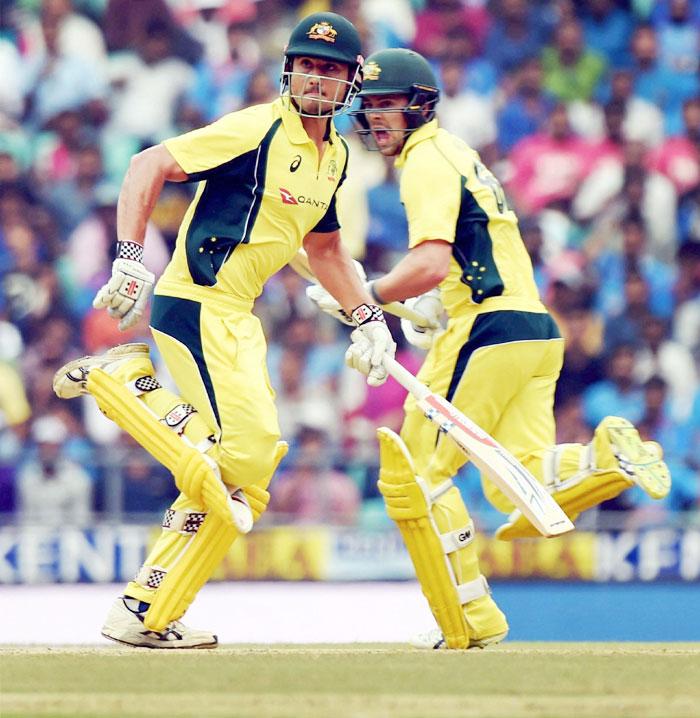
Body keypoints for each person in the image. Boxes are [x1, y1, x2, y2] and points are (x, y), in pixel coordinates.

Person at [52, 12, 396, 649]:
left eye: (331, 68)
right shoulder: (258, 127)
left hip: (237, 316)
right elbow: (146, 164)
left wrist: (369, 316)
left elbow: (323, 251)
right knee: (246, 450)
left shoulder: (336, 156)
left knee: (247, 475)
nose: (316, 78)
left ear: (351, 81)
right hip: (196, 302)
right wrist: (130, 258)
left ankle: (146, 609)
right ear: (288, 69)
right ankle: (123, 381)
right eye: (308, 64)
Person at [309, 48, 671, 650]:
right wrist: (419, 305)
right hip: (532, 329)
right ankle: (603, 461)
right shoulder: (457, 151)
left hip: (488, 331)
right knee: (516, 484)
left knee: (417, 475)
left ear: (420, 105)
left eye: (389, 105)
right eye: (369, 107)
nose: (376, 119)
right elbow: (468, 256)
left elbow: (430, 260)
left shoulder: (424, 160)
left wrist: (367, 296)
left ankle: (470, 616)